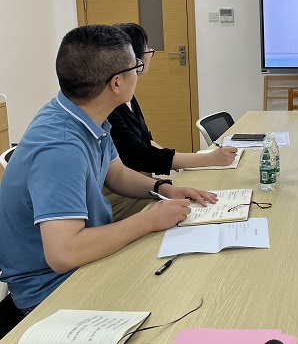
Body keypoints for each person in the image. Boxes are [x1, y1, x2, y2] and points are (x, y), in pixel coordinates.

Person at [0, 25, 218, 314]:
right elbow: (64, 253)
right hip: (54, 290)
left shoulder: (85, 115)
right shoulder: (61, 147)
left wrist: (163, 189)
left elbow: (117, 174)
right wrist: (149, 220)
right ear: (117, 83)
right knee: (186, 295)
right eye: (135, 66)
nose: (139, 72)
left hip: (87, 261)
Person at [106, 23, 236, 220]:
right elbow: (140, 156)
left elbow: (145, 141)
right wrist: (208, 159)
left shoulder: (127, 96)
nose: (151, 54)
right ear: (134, 59)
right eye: (147, 48)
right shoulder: (110, 107)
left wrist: (177, 164)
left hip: (141, 185)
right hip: (124, 197)